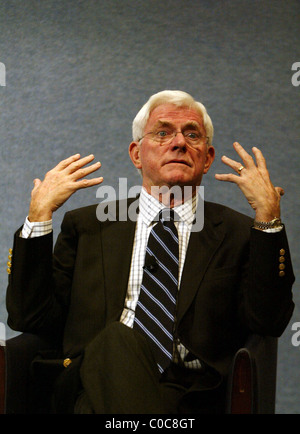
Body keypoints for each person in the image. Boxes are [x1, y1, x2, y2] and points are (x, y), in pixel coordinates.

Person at [6, 90, 294, 414]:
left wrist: (269, 221)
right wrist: (38, 218)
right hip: (87, 376)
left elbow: (269, 320)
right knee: (117, 340)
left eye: (192, 134)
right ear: (136, 154)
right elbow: (27, 316)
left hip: (191, 393)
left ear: (208, 157)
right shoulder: (87, 226)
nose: (179, 142)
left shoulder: (238, 232)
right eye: (163, 132)